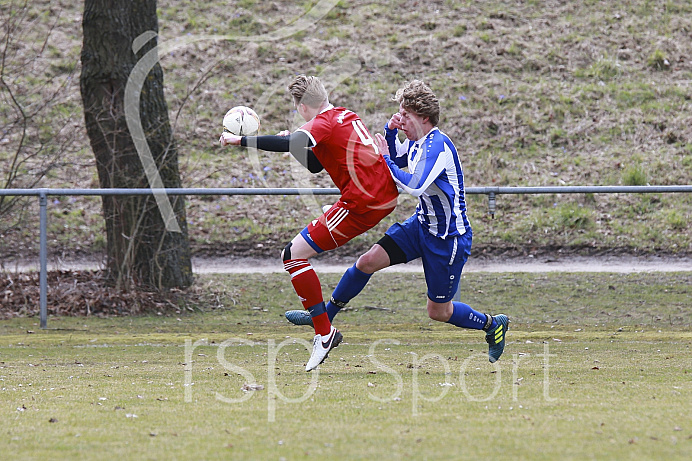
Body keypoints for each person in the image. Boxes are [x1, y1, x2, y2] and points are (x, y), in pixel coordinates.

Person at [284, 80, 509, 363]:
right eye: (399, 113)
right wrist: (391, 133)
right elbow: (399, 158)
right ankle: (324, 323)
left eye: (406, 115)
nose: (400, 119)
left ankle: (493, 325)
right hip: (420, 226)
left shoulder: (437, 145)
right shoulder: (417, 143)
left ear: (424, 118)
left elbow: (413, 184)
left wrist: (386, 159)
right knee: (366, 262)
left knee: (439, 311)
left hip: (447, 238)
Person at [219, 75, 399, 371]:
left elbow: (297, 140)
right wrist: (295, 143)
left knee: (292, 255)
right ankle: (322, 323)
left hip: (362, 204)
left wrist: (240, 140)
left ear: (303, 107)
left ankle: (324, 332)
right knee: (297, 253)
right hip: (382, 196)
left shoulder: (322, 122)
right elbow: (316, 163)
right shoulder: (345, 114)